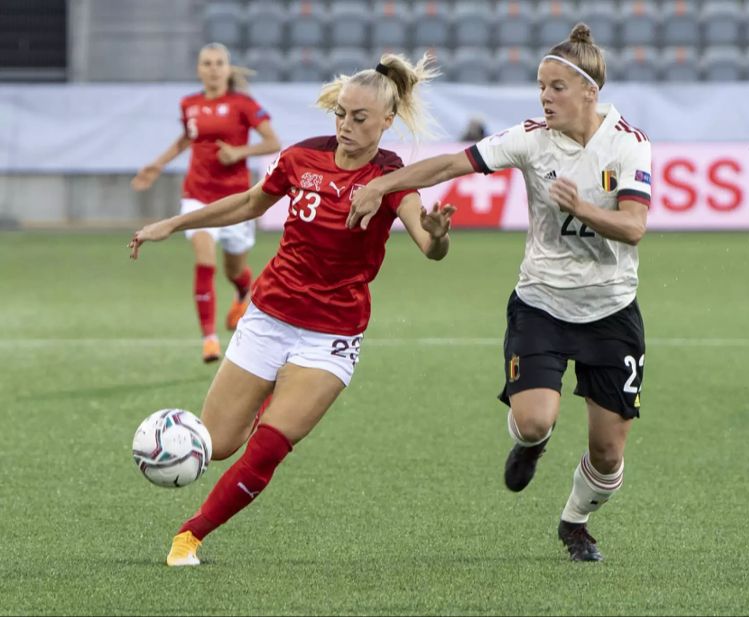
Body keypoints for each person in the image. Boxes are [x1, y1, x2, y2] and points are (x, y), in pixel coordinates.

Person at [128, 53, 456, 566]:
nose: (346, 125)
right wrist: (174, 223)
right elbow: (251, 202)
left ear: (387, 121)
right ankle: (269, 395)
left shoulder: (392, 178)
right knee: (216, 446)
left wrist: (437, 238)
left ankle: (189, 536)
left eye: (360, 118)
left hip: (330, 335)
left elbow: (426, 242)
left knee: (268, 447)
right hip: (268, 316)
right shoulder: (303, 157)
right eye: (341, 114)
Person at [348, 24, 651, 562]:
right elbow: (449, 164)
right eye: (540, 85)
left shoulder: (629, 145)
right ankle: (531, 444)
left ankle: (574, 521)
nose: (544, 96)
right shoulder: (531, 138)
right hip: (541, 303)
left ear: (589, 91)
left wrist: (580, 207)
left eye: (556, 87)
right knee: (536, 419)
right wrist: (381, 184)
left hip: (611, 310)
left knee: (607, 455)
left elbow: (633, 227)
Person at [131, 42, 282, 363]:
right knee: (204, 260)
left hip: (235, 200)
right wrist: (157, 164)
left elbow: (273, 141)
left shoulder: (242, 104)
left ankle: (243, 291)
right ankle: (209, 339)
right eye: (207, 63)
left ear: (227, 69)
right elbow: (188, 137)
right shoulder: (189, 103)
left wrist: (240, 152)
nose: (213, 69)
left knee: (234, 270)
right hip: (197, 195)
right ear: (199, 69)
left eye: (218, 63)